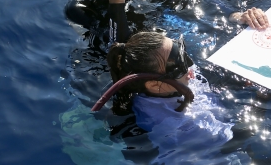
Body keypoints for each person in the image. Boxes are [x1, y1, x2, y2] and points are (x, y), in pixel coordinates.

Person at [99, 32, 242, 163]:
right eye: (178, 65)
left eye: (181, 52)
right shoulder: (175, 123)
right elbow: (229, 142)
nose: (190, 65)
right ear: (155, 85)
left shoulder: (173, 81)